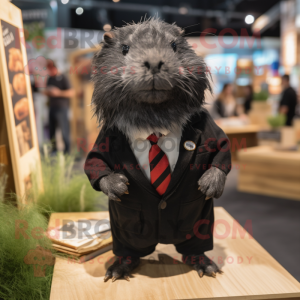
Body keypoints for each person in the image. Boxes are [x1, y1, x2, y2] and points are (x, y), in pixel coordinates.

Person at [44, 61, 74, 154]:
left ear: (55, 68)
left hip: (62, 108)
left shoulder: (63, 77)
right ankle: (54, 150)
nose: (49, 72)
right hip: (52, 107)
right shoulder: (50, 79)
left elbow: (71, 92)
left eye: (50, 69)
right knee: (52, 131)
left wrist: (58, 92)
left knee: (64, 131)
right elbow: (47, 91)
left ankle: (67, 152)